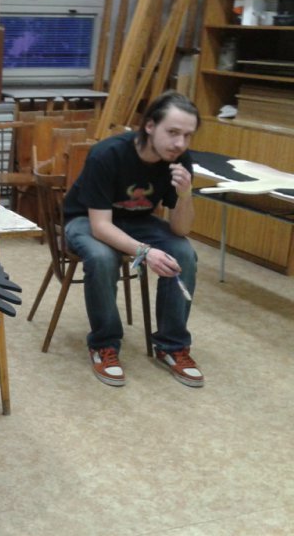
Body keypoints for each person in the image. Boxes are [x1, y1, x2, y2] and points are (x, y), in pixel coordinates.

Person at [63, 90, 203, 388]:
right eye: (173, 132)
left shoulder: (180, 160)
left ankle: (172, 345)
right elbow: (101, 227)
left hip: (137, 220)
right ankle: (104, 344)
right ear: (150, 126)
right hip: (86, 219)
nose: (180, 143)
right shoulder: (107, 154)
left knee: (184, 252)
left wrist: (185, 195)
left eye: (187, 136)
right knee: (102, 257)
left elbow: (181, 230)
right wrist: (146, 252)